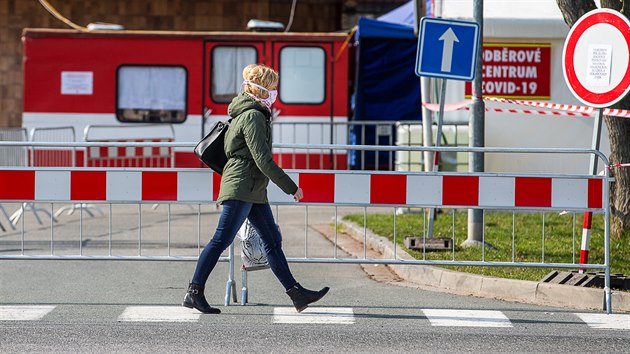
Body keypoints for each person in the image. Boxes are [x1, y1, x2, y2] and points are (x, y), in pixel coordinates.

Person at [183, 64, 329, 314]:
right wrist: (291, 187)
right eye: (273, 88)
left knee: (272, 241)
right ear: (262, 89)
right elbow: (262, 159)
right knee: (221, 240)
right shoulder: (253, 116)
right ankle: (194, 292)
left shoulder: (245, 112)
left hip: (252, 188)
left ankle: (297, 294)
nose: (275, 92)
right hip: (242, 185)